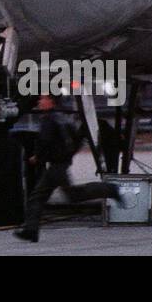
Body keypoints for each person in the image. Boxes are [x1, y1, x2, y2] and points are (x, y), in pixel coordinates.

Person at [14, 95, 126, 243]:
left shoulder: (49, 120)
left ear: (51, 102)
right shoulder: (63, 118)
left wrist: (38, 157)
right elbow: (77, 139)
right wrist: (68, 156)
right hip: (60, 163)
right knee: (62, 195)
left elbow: (45, 141)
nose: (39, 102)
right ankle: (31, 230)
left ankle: (110, 189)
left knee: (44, 197)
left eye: (43, 99)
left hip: (56, 165)